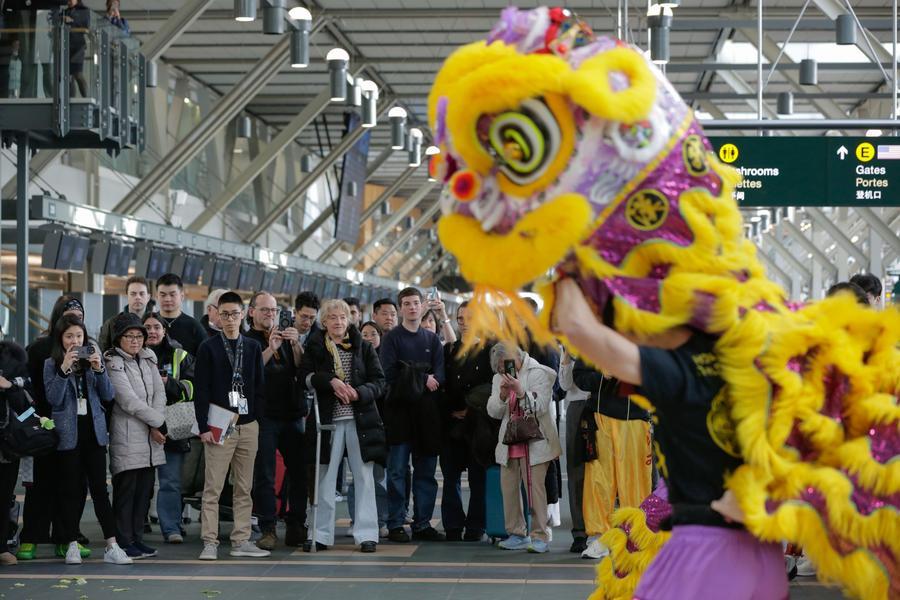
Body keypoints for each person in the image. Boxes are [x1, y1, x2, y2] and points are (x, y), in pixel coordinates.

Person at [552, 278, 788, 599]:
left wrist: (570, 266)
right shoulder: (773, 376)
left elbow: (578, 328)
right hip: (757, 554)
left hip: (702, 544)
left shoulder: (683, 368)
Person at [44, 314, 131, 565]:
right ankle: (71, 543)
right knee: (70, 490)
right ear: (60, 339)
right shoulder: (52, 364)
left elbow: (108, 395)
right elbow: (54, 400)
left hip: (94, 433)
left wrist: (99, 369)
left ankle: (112, 545)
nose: (74, 341)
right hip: (68, 435)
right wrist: (63, 370)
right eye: (69, 336)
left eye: (79, 336)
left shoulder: (95, 358)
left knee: (101, 491)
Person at [300, 299, 386, 553]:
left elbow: (379, 381)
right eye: (332, 317)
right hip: (328, 421)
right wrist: (330, 381)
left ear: (349, 319)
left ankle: (367, 533)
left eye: (342, 317)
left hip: (361, 420)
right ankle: (320, 534)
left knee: (364, 477)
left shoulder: (362, 346)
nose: (338, 322)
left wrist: (359, 393)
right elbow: (303, 377)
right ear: (324, 321)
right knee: (325, 477)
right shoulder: (315, 346)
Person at [194, 292, 269, 561]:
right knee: (212, 487)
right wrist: (203, 426)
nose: (229, 319)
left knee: (244, 487)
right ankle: (210, 542)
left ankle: (241, 540)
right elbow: (200, 390)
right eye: (224, 314)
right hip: (218, 423)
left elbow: (259, 386)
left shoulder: (251, 348)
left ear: (243, 314)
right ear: (216, 314)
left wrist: (255, 417)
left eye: (234, 314)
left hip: (247, 424)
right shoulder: (208, 347)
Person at [19, 296, 88, 561]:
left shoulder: (86, 349)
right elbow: (27, 389)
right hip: (44, 426)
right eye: (69, 315)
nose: (74, 321)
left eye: (79, 317)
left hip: (76, 427)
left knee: (73, 485)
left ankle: (67, 536)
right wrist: (34, 419)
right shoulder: (38, 349)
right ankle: (31, 537)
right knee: (40, 485)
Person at [379, 287, 445, 543]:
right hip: (398, 414)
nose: (412, 308)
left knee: (426, 472)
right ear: (401, 308)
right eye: (407, 304)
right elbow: (389, 375)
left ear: (422, 306)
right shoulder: (392, 339)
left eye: (416, 303)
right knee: (397, 471)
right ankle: (396, 521)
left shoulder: (431, 340)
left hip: (427, 415)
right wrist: (421, 376)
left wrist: (413, 374)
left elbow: (439, 377)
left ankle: (423, 523)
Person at [246, 292, 307, 550]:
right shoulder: (247, 341)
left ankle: (296, 523)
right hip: (265, 415)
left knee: (299, 472)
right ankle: (268, 527)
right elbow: (251, 371)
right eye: (264, 310)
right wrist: (271, 349)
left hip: (292, 413)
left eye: (273, 310)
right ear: (252, 312)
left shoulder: (286, 336)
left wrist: (295, 345)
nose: (270, 314)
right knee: (266, 475)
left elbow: (303, 370)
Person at [486, 343, 560, 554]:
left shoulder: (539, 372)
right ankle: (516, 533)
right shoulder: (499, 378)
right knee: (508, 487)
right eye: (499, 368)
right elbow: (493, 411)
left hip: (536, 440)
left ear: (517, 357)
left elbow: (541, 405)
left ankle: (540, 536)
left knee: (535, 488)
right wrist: (501, 396)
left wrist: (520, 392)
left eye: (506, 364)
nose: (504, 370)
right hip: (510, 440)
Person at [573, 362, 652, 560]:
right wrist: (602, 375)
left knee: (636, 481)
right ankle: (600, 537)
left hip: (635, 419)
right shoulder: (593, 338)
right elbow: (580, 376)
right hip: (600, 417)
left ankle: (636, 535)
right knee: (598, 480)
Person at [104, 313, 167, 560]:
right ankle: (123, 540)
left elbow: (160, 394)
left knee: (144, 491)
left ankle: (137, 539)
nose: (135, 341)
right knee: (126, 492)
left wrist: (157, 423)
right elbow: (127, 400)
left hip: (151, 438)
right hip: (128, 435)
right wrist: (158, 422)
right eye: (129, 336)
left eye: (139, 336)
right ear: (118, 338)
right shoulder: (113, 362)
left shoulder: (148, 358)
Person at [440, 301, 491, 542]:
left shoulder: (491, 351)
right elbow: (443, 383)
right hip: (451, 422)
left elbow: (493, 387)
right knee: (450, 477)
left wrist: (469, 410)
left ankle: (476, 525)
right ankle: (452, 525)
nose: (465, 324)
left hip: (479, 424)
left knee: (477, 477)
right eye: (461, 319)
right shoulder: (450, 350)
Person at [143, 313, 194, 544]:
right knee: (138, 482)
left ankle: (171, 528)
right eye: (148, 327)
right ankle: (133, 527)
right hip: (139, 426)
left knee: (170, 482)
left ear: (165, 331)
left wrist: (169, 384)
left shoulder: (180, 356)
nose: (152, 331)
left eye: (157, 327)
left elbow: (192, 387)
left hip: (173, 425)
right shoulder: (132, 355)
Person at [0, 341, 39, 565]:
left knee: (4, 497)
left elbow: (29, 405)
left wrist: (9, 386)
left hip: (7, 441)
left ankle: (1, 546)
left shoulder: (15, 361)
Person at [557, 347, 590, 553]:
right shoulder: (569, 344)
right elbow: (565, 384)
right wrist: (567, 356)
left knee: (604, 471)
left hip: (604, 406)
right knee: (576, 470)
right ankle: (579, 531)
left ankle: (604, 527)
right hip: (577, 407)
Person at [156, 273, 207, 356]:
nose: (167, 299)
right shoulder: (149, 323)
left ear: (182, 296)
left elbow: (205, 359)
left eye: (172, 295)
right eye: (163, 295)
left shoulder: (194, 327)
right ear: (157, 296)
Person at [99, 277, 151, 352]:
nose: (137, 297)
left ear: (148, 297)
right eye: (133, 294)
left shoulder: (156, 324)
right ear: (127, 296)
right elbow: (103, 351)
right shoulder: (112, 323)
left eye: (141, 294)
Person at [64, 0, 90, 97]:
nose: (69, 1)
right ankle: (71, 100)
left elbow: (86, 26)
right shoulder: (65, 11)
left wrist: (72, 21)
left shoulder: (84, 10)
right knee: (68, 75)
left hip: (78, 46)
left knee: (78, 73)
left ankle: (86, 97)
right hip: (66, 45)